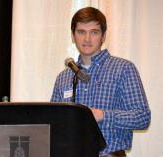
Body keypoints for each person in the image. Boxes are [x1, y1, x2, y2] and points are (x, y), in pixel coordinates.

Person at [51, 7, 151, 157]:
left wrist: (102, 115)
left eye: (94, 32)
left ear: (103, 36)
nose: (87, 39)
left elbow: (142, 118)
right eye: (81, 32)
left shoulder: (123, 69)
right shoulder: (63, 77)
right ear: (73, 36)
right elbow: (54, 123)